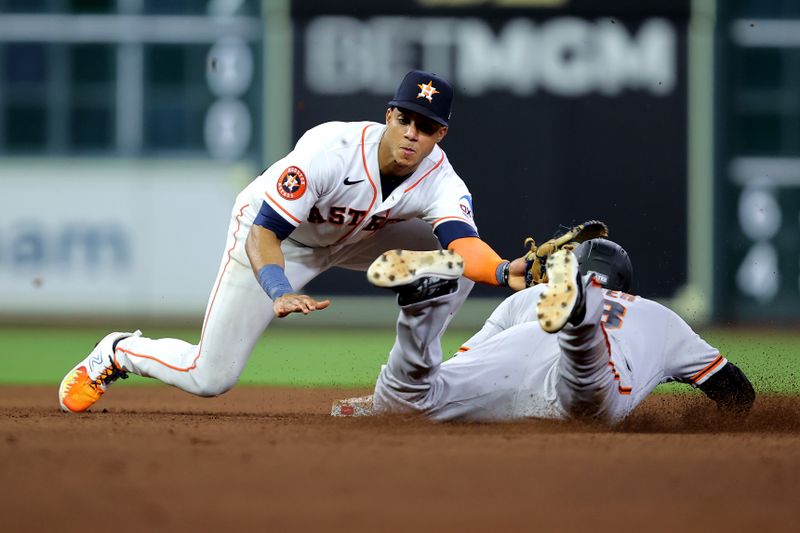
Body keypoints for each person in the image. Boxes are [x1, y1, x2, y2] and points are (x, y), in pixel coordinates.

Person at [58, 70, 530, 413]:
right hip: (275, 239)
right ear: (389, 115)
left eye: (425, 126)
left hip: (360, 236)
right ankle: (118, 351)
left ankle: (409, 387)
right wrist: (279, 290)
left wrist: (505, 270)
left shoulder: (441, 178)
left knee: (454, 264)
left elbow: (464, 244)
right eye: (405, 118)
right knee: (209, 377)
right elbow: (265, 232)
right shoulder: (331, 150)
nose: (412, 133)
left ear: (439, 134)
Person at [337, 240, 755, 424]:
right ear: (623, 285)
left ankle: (420, 313)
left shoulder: (524, 298)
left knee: (415, 398)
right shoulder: (657, 317)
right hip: (586, 374)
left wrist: (378, 404)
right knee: (586, 395)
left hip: (513, 352)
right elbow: (737, 393)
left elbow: (460, 367)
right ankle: (580, 316)